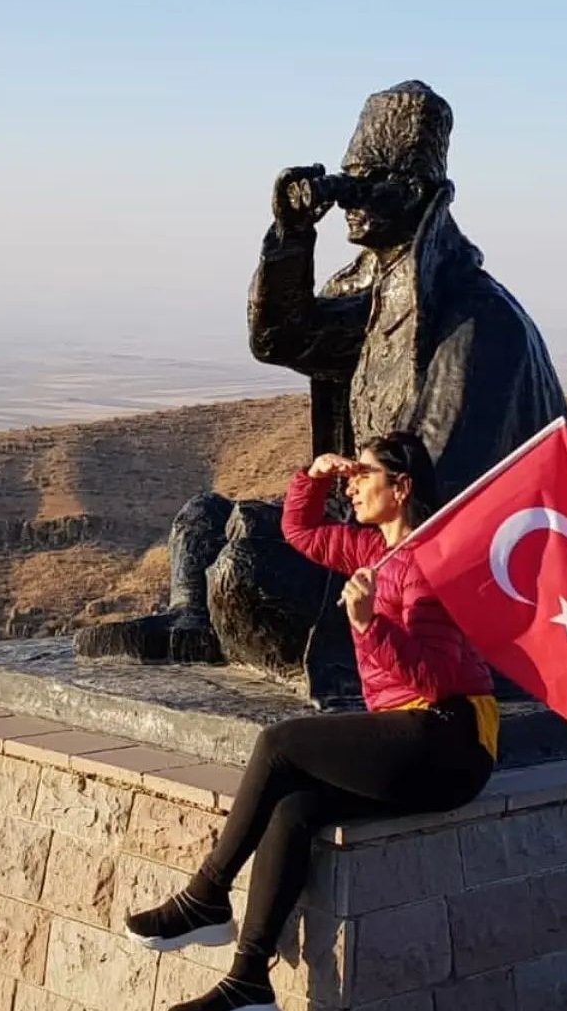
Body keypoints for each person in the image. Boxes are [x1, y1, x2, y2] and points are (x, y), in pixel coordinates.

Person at [74, 80, 567, 700]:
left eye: (365, 182)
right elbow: (281, 336)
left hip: (422, 565)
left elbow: (438, 491)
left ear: (414, 193)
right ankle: (194, 624)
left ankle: (242, 627)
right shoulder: (380, 294)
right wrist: (291, 233)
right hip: (362, 521)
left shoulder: (474, 320)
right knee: (202, 519)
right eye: (346, 179)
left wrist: (347, 537)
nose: (348, 199)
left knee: (241, 567)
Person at [124, 432, 497, 1011]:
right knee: (295, 808)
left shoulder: (431, 564)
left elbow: (436, 681)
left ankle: (207, 896)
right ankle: (249, 981)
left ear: (401, 487)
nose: (353, 485)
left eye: (363, 475)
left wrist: (370, 624)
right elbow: (299, 532)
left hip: (450, 739)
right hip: (412, 738)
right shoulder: (373, 552)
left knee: (279, 743)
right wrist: (316, 476)